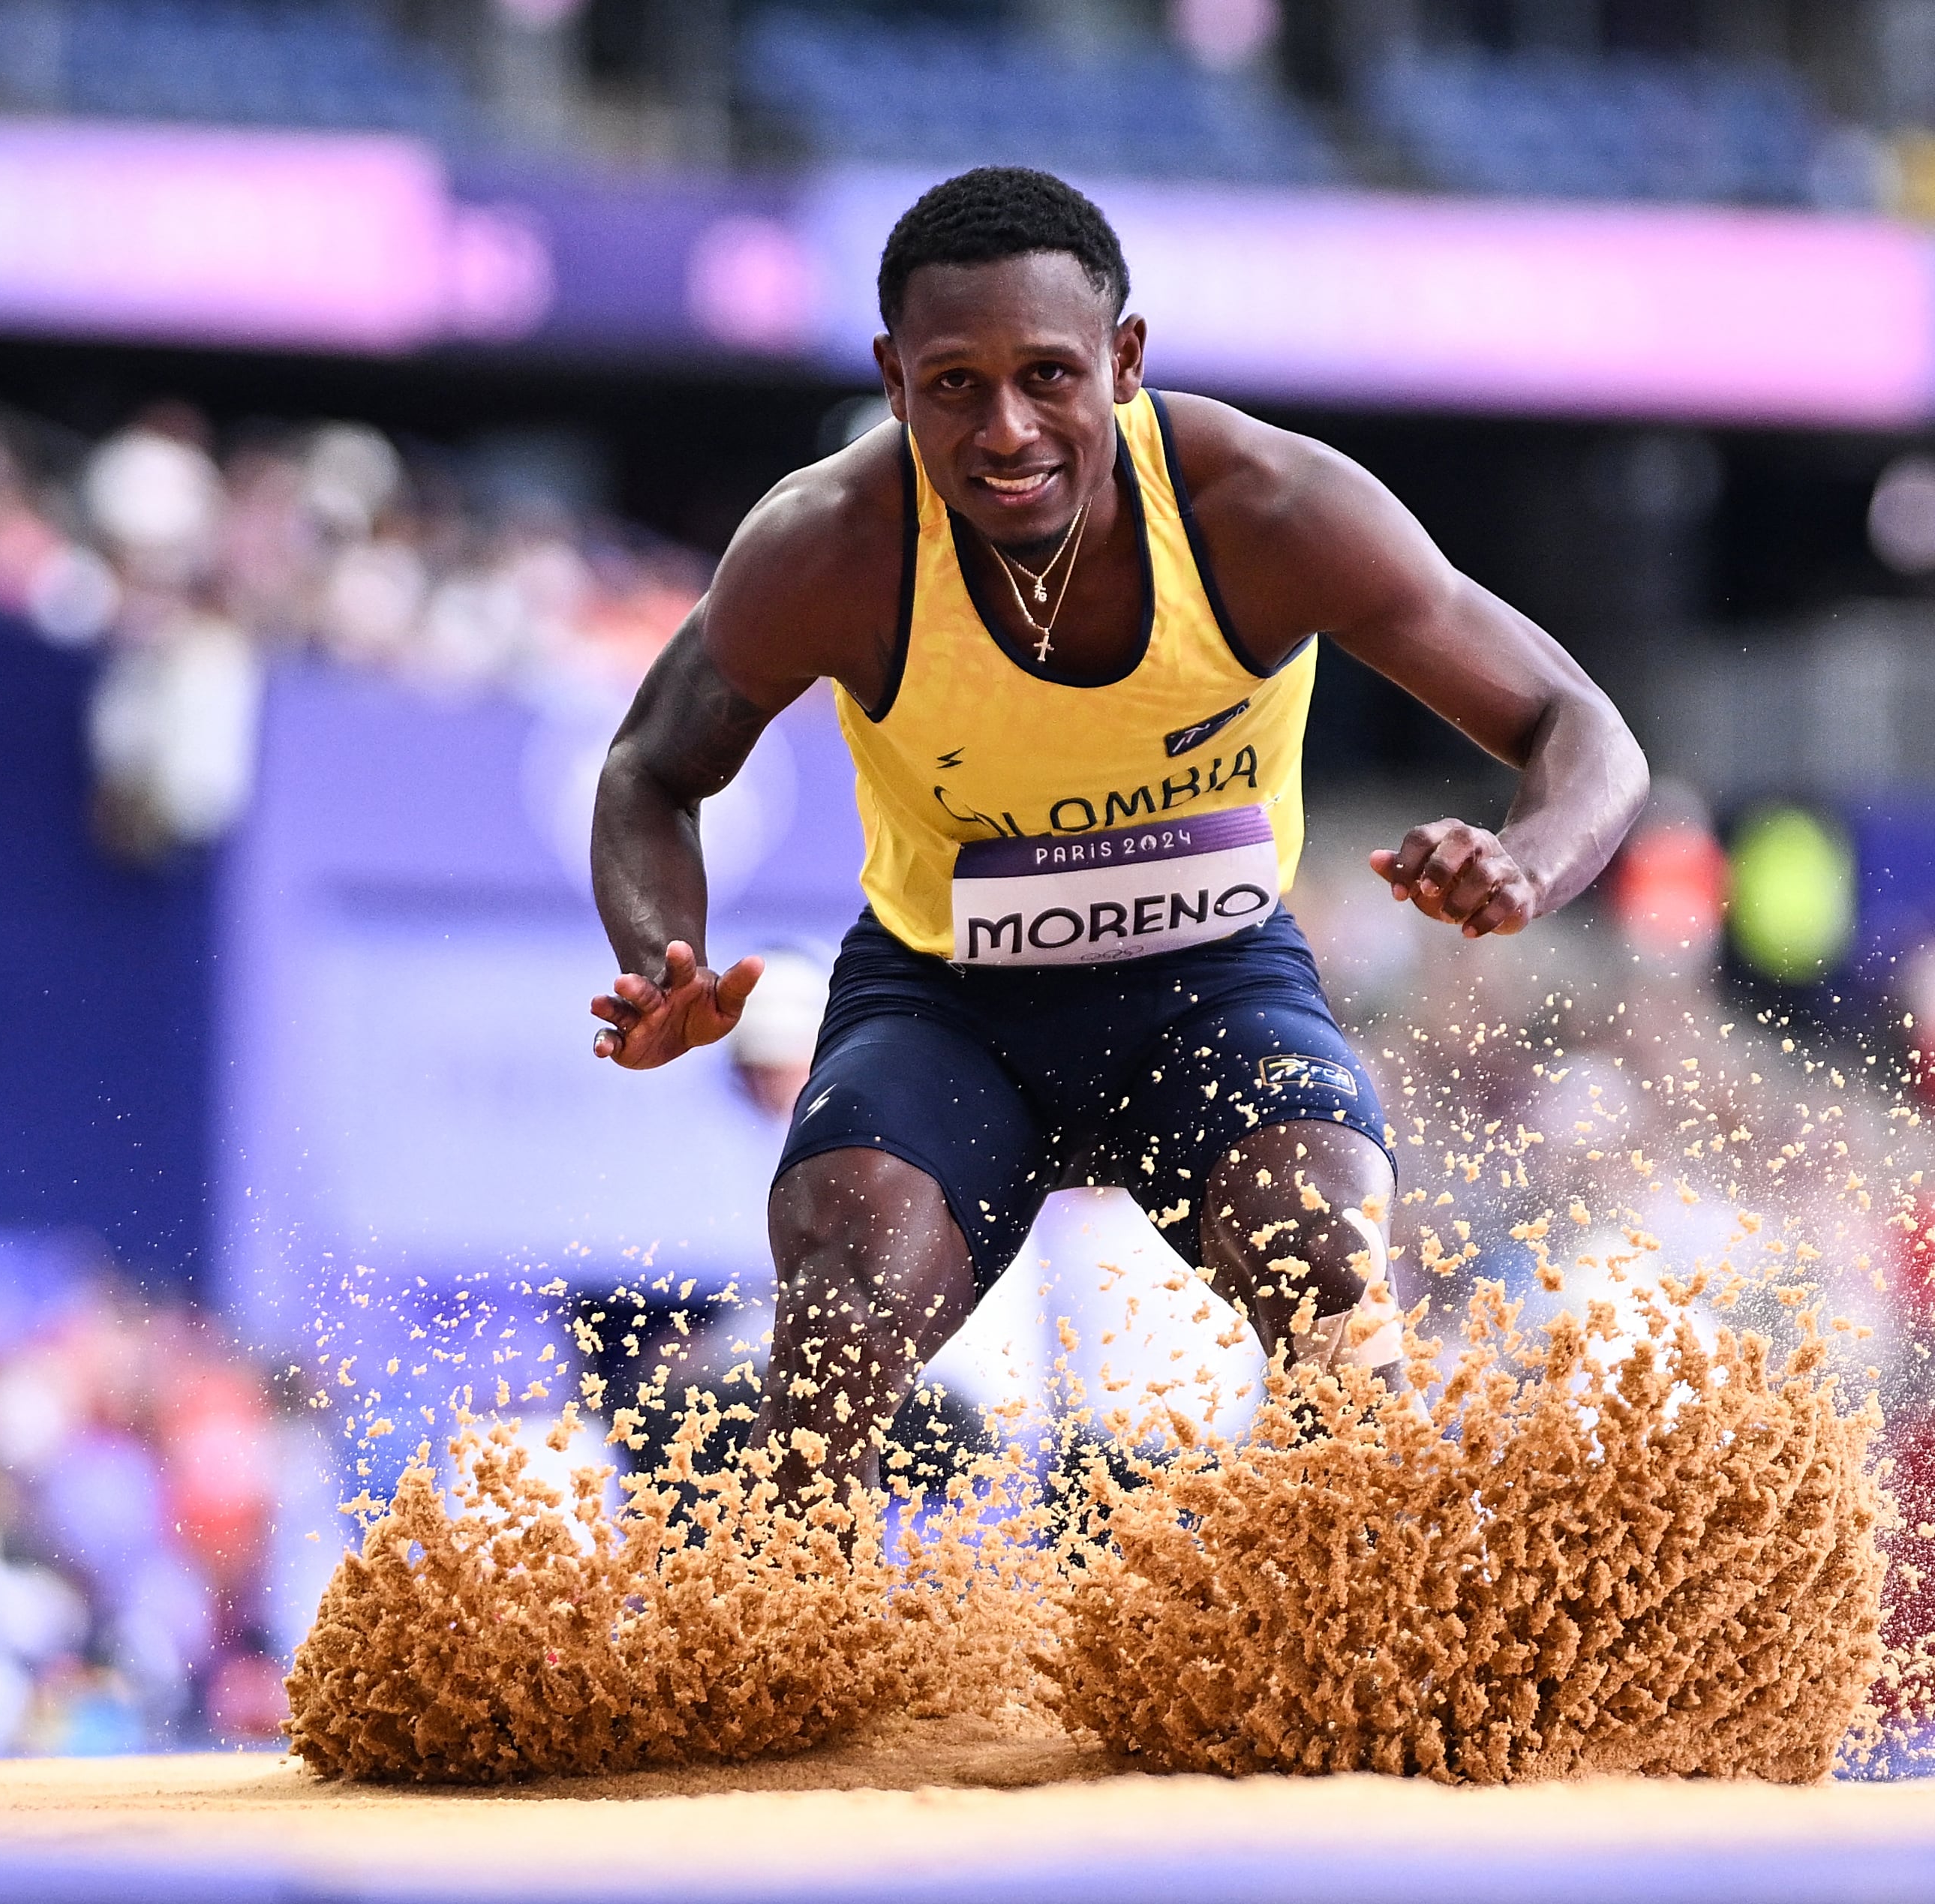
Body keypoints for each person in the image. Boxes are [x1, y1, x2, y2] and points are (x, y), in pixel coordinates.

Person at [588, 168, 1647, 1496]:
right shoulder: (828, 547)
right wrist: (661, 951)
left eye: (1047, 376)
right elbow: (647, 767)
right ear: (890, 378)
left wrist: (1524, 860)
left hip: (1206, 985)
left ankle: (1371, 1618)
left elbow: (1577, 720)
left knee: (1318, 1249)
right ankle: (803, 1661)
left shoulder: (1265, 511)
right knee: (840, 1315)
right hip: (944, 1003)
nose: (1005, 429)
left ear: (1123, 360)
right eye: (953, 385)